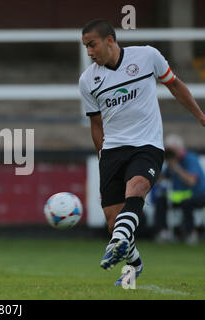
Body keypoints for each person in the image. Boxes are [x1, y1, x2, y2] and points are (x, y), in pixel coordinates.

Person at [78, 19, 205, 286]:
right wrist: (102, 157)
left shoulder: (147, 56)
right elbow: (96, 124)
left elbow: (175, 86)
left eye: (92, 45)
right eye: (86, 47)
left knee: (136, 188)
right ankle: (134, 265)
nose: (89, 52)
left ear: (110, 40)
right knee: (115, 222)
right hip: (112, 150)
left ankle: (116, 244)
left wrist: (201, 117)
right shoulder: (88, 80)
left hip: (147, 144)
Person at [153, 134, 205, 245]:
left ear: (179, 148)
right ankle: (163, 232)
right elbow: (162, 178)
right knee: (161, 200)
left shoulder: (190, 159)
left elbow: (192, 181)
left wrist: (176, 168)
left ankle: (190, 233)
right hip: (180, 196)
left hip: (197, 195)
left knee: (187, 203)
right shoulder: (172, 162)